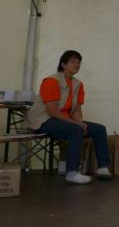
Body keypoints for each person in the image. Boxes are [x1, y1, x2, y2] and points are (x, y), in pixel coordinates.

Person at [25, 50, 112, 184]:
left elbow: (76, 109)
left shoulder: (78, 84)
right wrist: (77, 125)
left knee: (99, 129)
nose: (76, 65)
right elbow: (52, 111)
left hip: (63, 120)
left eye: (78, 62)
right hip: (43, 120)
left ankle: (102, 168)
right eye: (72, 62)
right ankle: (72, 173)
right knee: (75, 130)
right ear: (63, 64)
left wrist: (80, 123)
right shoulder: (51, 81)